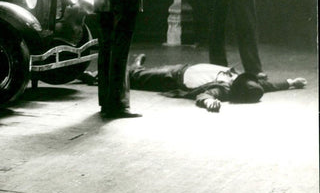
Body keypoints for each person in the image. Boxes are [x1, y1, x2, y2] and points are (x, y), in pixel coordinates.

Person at [126, 54, 306, 112]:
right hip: (184, 67)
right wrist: (291, 82)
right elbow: (271, 86)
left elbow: (205, 95)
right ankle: (138, 66)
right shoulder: (243, 81)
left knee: (135, 78)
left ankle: (135, 66)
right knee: (148, 72)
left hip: (173, 78)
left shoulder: (224, 89)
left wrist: (209, 102)